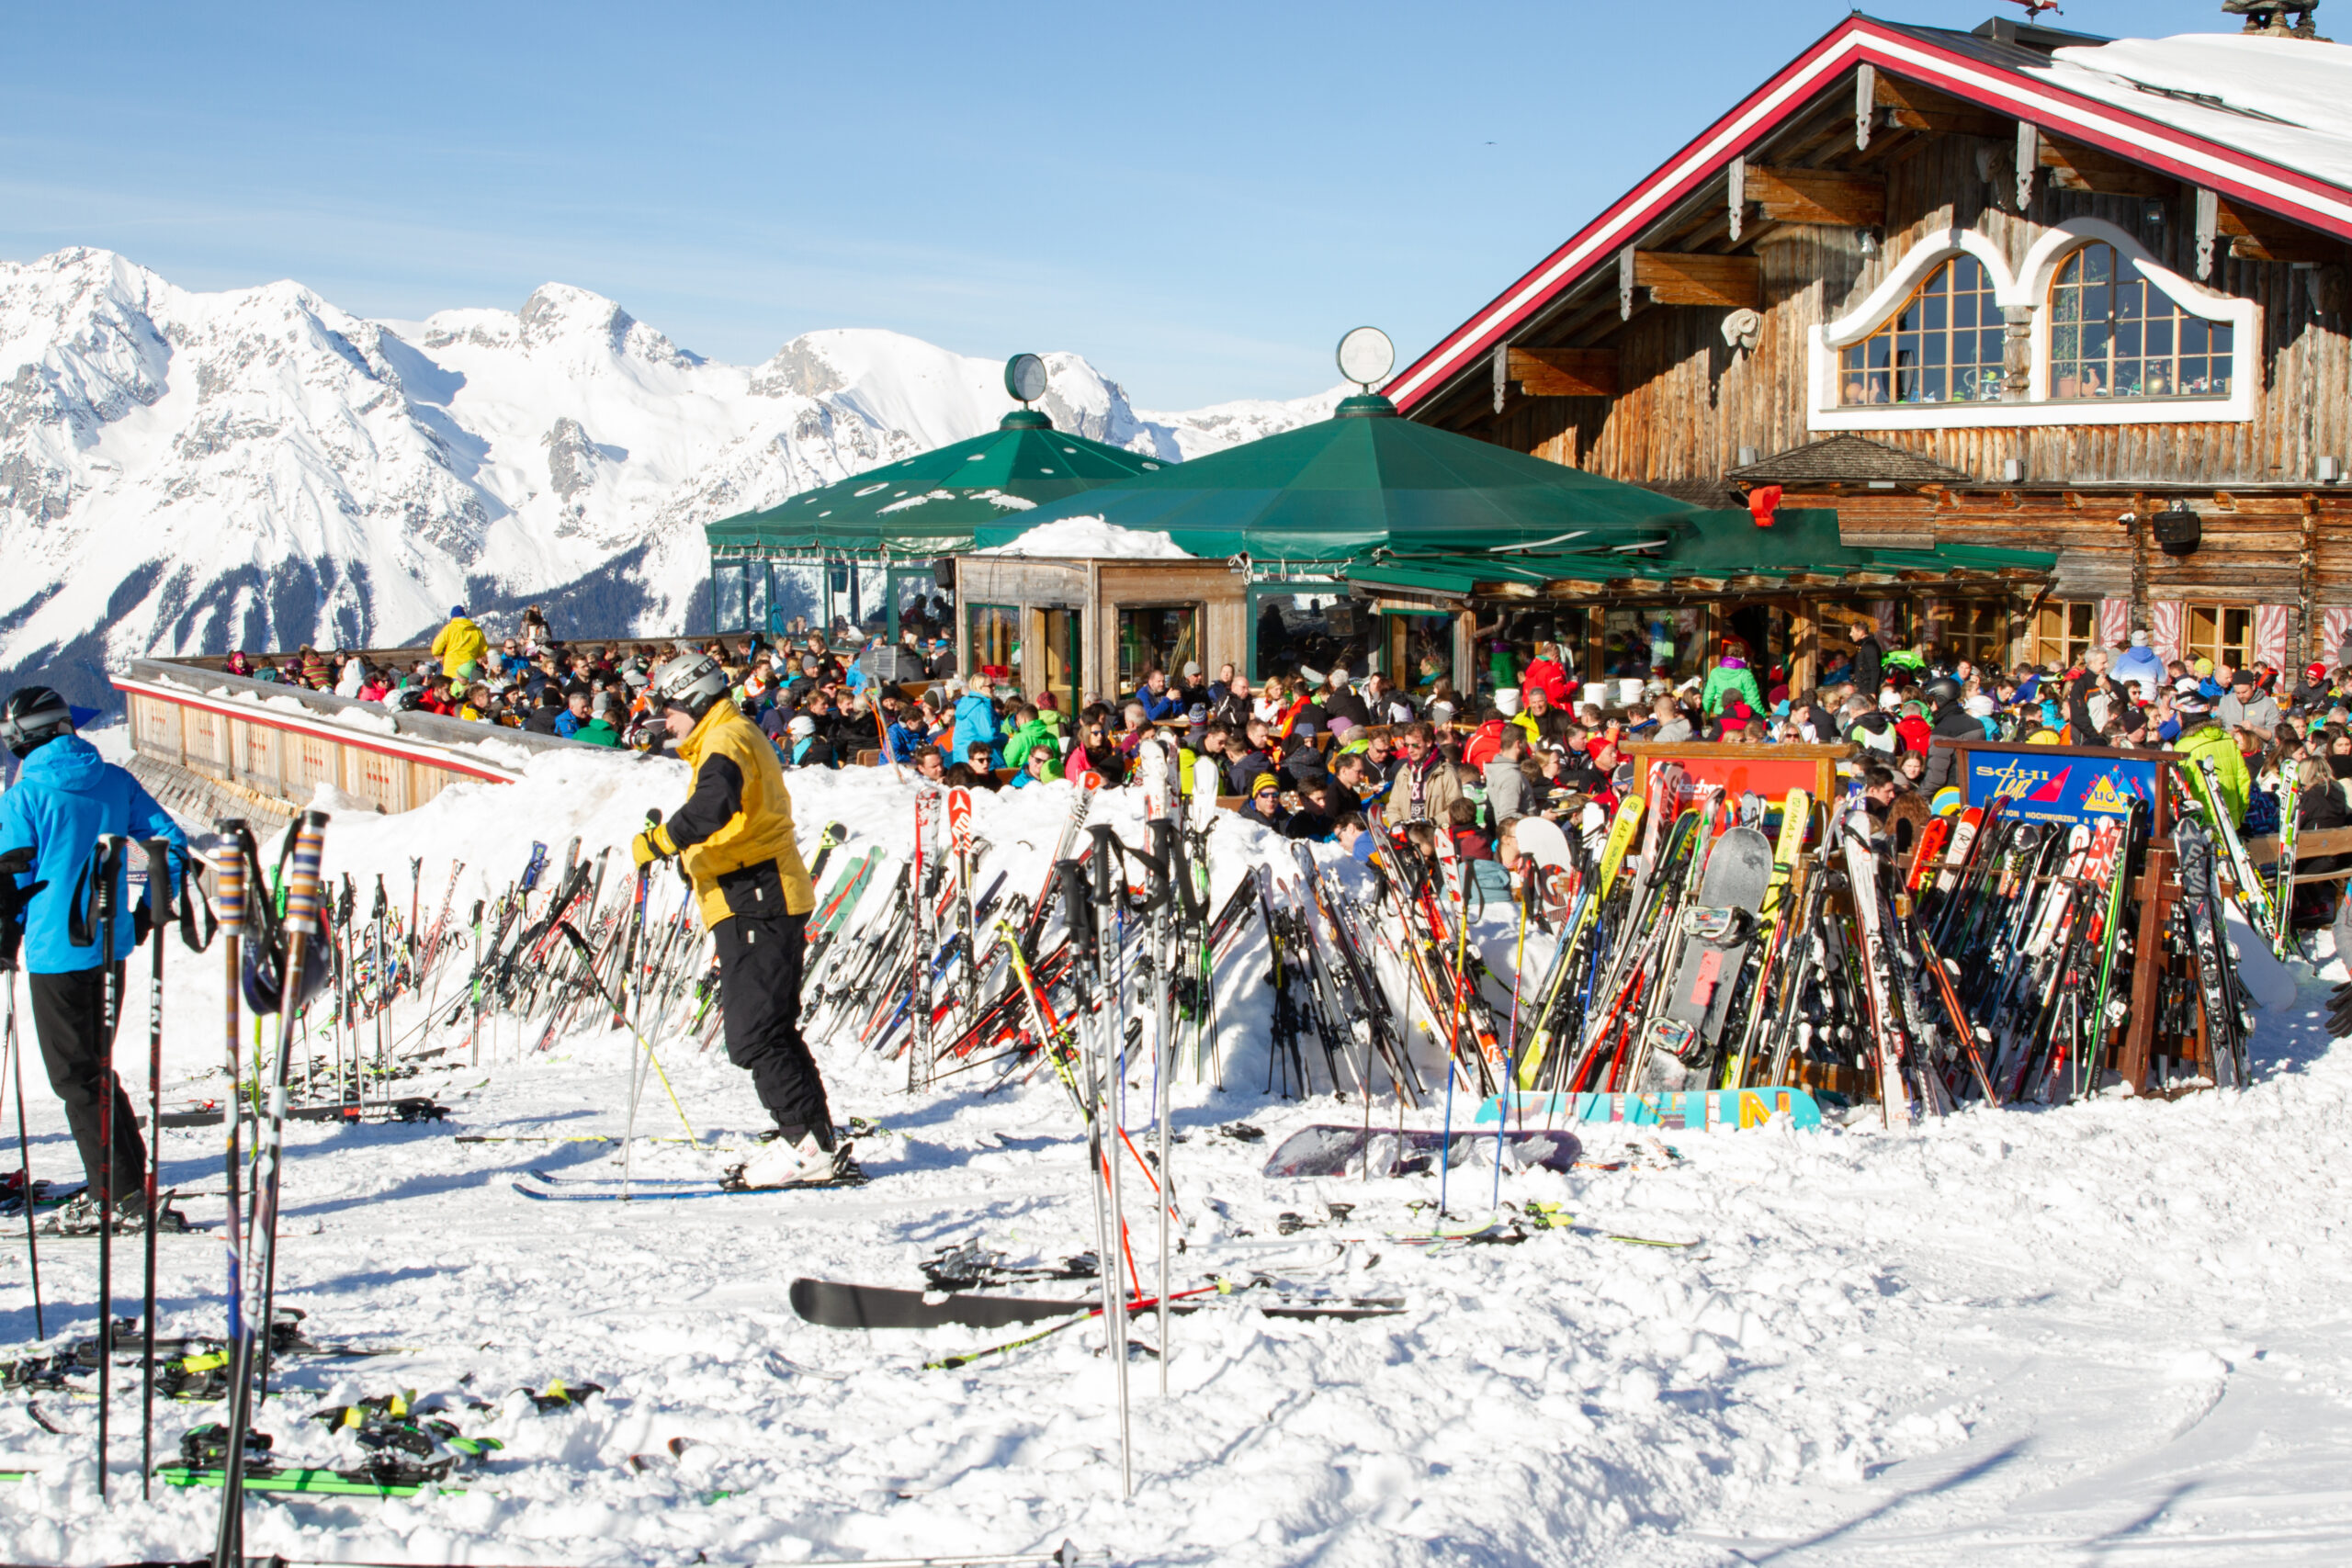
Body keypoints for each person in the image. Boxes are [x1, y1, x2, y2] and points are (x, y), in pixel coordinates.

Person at [631, 653, 846, 1187]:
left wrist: (662, 842)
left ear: (694, 699)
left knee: (752, 1033)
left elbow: (714, 806)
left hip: (757, 897)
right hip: (756, 893)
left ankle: (805, 1144)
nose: (667, 721)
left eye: (670, 708)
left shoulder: (726, 739)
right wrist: (693, 862)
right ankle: (811, 1138)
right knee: (770, 1026)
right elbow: (732, 818)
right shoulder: (727, 735)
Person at [0, 687, 189, 1235]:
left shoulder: (25, 796)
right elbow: (170, 846)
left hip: (55, 952)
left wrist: (4, 938)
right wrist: (150, 909)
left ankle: (122, 1197)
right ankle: (127, 1184)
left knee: (75, 1077)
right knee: (95, 1068)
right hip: (110, 944)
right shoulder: (115, 780)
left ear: (24, 737)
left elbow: (10, 876)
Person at [2175, 692, 2251, 826]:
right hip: (2231, 821)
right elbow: (2243, 780)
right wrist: (2240, 813)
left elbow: (2180, 787)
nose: (2176, 720)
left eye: (2177, 715)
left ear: (2184, 716)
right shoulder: (2228, 739)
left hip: (2203, 822)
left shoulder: (2185, 747)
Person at [1385, 722, 1462, 829]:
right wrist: (1398, 824)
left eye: (1415, 745)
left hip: (1435, 834)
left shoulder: (1445, 772)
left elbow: (1456, 809)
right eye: (1407, 745)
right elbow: (1393, 806)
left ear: (1429, 742)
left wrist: (1431, 822)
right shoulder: (1404, 772)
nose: (1410, 750)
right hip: (1409, 834)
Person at [431, 604, 487, 680]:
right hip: (469, 671)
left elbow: (436, 649)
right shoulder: (477, 631)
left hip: (451, 671)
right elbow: (483, 651)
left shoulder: (449, 629)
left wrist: (441, 656)